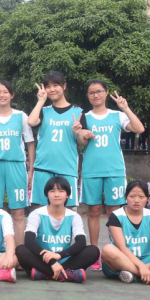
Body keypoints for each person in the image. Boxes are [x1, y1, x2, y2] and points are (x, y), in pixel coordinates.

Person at [80, 80, 144, 266]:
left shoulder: (118, 115)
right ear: (88, 96)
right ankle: (94, 254)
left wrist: (126, 108)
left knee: (113, 212)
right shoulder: (84, 117)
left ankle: (114, 252)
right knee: (93, 211)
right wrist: (83, 135)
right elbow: (81, 143)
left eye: (99, 91)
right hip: (91, 170)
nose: (95, 95)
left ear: (106, 93)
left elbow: (139, 129)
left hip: (114, 170)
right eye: (91, 92)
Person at [14, 177, 99, 282]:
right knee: (21, 250)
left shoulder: (74, 216)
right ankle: (66, 274)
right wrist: (52, 262)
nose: (57, 194)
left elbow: (81, 242)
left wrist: (59, 255)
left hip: (64, 259)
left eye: (61, 191)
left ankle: (44, 274)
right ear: (47, 194)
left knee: (93, 251)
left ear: (67, 195)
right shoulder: (36, 214)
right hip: (41, 260)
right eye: (52, 191)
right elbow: (29, 241)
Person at [0, 80, 35, 246]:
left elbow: (30, 144)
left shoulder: (21, 116)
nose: (2, 95)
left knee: (18, 212)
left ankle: (20, 251)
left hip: (16, 165)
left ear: (12, 95)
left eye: (5, 92)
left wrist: (31, 171)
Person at [27, 71, 91, 208]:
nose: (52, 89)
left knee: (67, 211)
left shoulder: (78, 112)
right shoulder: (44, 110)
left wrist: (78, 133)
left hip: (67, 168)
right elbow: (31, 122)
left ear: (64, 86)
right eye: (48, 86)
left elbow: (83, 143)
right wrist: (40, 101)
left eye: (55, 85)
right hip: (43, 168)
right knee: (42, 210)